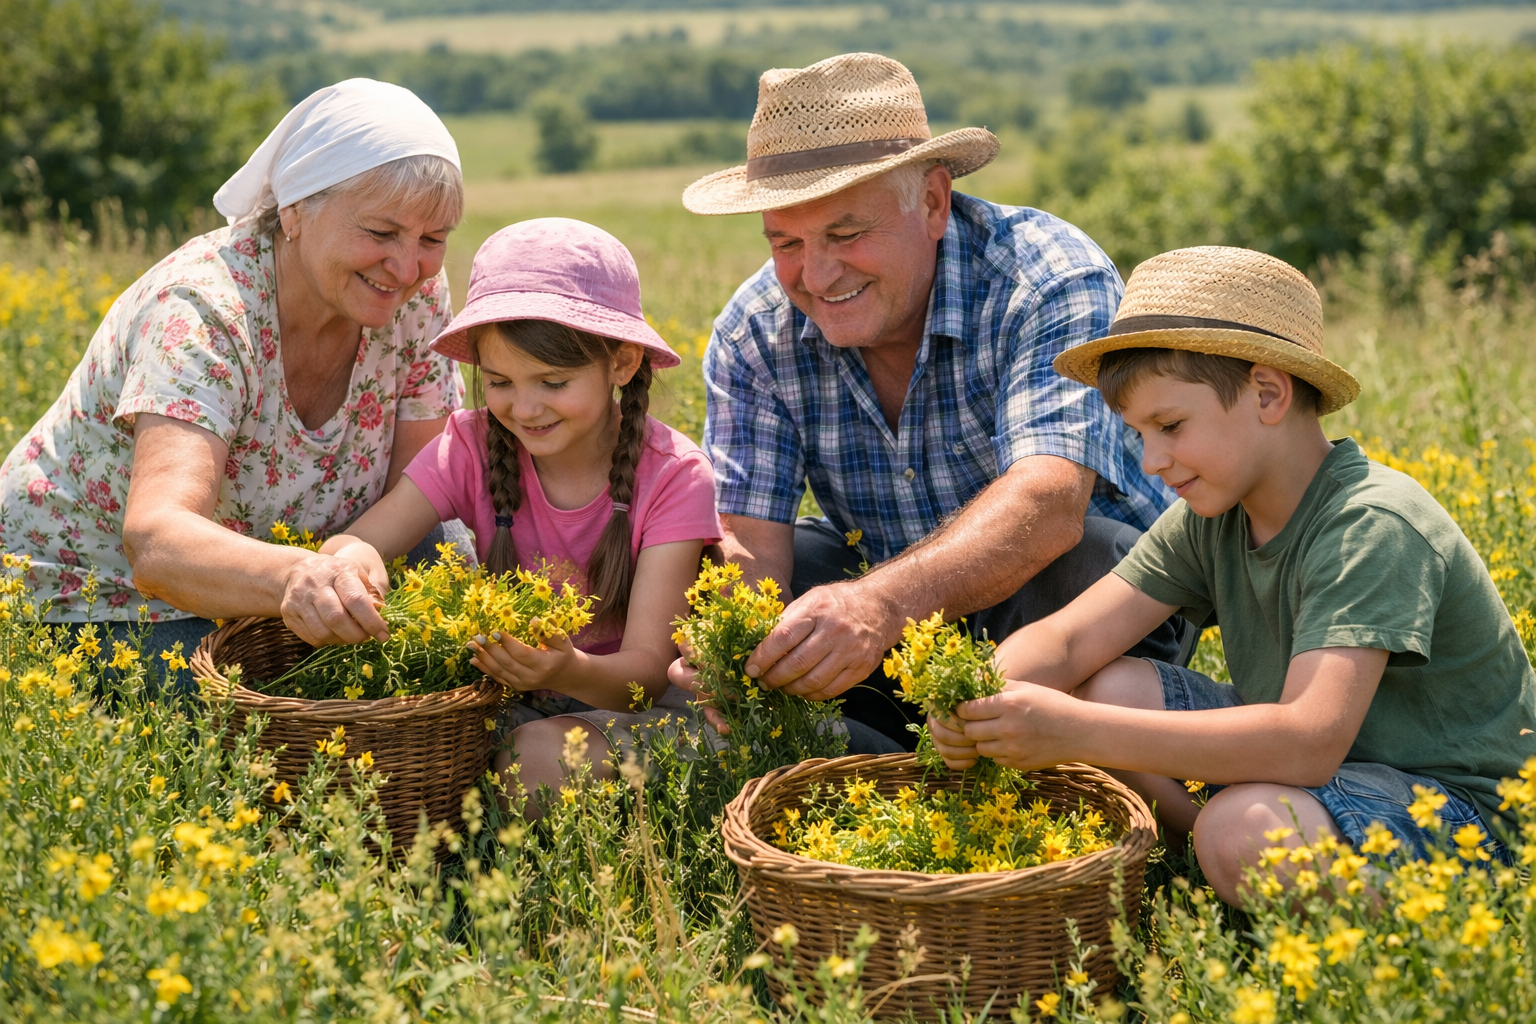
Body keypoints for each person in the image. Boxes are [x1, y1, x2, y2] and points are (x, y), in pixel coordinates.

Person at [929, 245, 1536, 905]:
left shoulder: (1371, 522)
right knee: (1112, 686)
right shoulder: (1213, 515)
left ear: (1269, 393)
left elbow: (1309, 744)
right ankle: (1210, 862)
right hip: (1329, 784)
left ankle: (1446, 926)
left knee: (1245, 829)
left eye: (1171, 425)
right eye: (1139, 435)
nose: (1153, 461)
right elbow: (1071, 641)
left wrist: (1070, 731)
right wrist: (983, 696)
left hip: (1462, 816)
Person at [673, 52, 1177, 750]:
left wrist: (880, 604)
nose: (816, 276)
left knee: (1093, 551)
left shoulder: (1044, 277)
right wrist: (739, 647)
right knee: (782, 583)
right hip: (897, 602)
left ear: (933, 202)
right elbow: (751, 543)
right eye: (786, 243)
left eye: (846, 235)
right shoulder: (755, 330)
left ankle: (1056, 750)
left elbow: (1050, 503)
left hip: (1066, 604)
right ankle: (874, 756)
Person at [0, 79, 467, 664]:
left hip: (302, 565)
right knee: (265, 706)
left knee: (449, 577)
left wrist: (351, 556)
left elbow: (418, 487)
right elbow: (157, 543)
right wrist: (303, 575)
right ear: (295, 210)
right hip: (111, 599)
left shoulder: (414, 295)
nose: (405, 265)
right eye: (379, 233)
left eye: (433, 238)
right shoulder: (204, 310)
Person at [320, 219, 722, 811]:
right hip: (523, 700)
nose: (524, 408)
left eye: (553, 382)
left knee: (531, 761)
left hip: (640, 711)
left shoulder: (674, 477)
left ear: (623, 362)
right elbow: (363, 540)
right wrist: (350, 559)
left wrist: (563, 669)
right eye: (501, 382)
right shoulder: (472, 445)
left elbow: (645, 678)